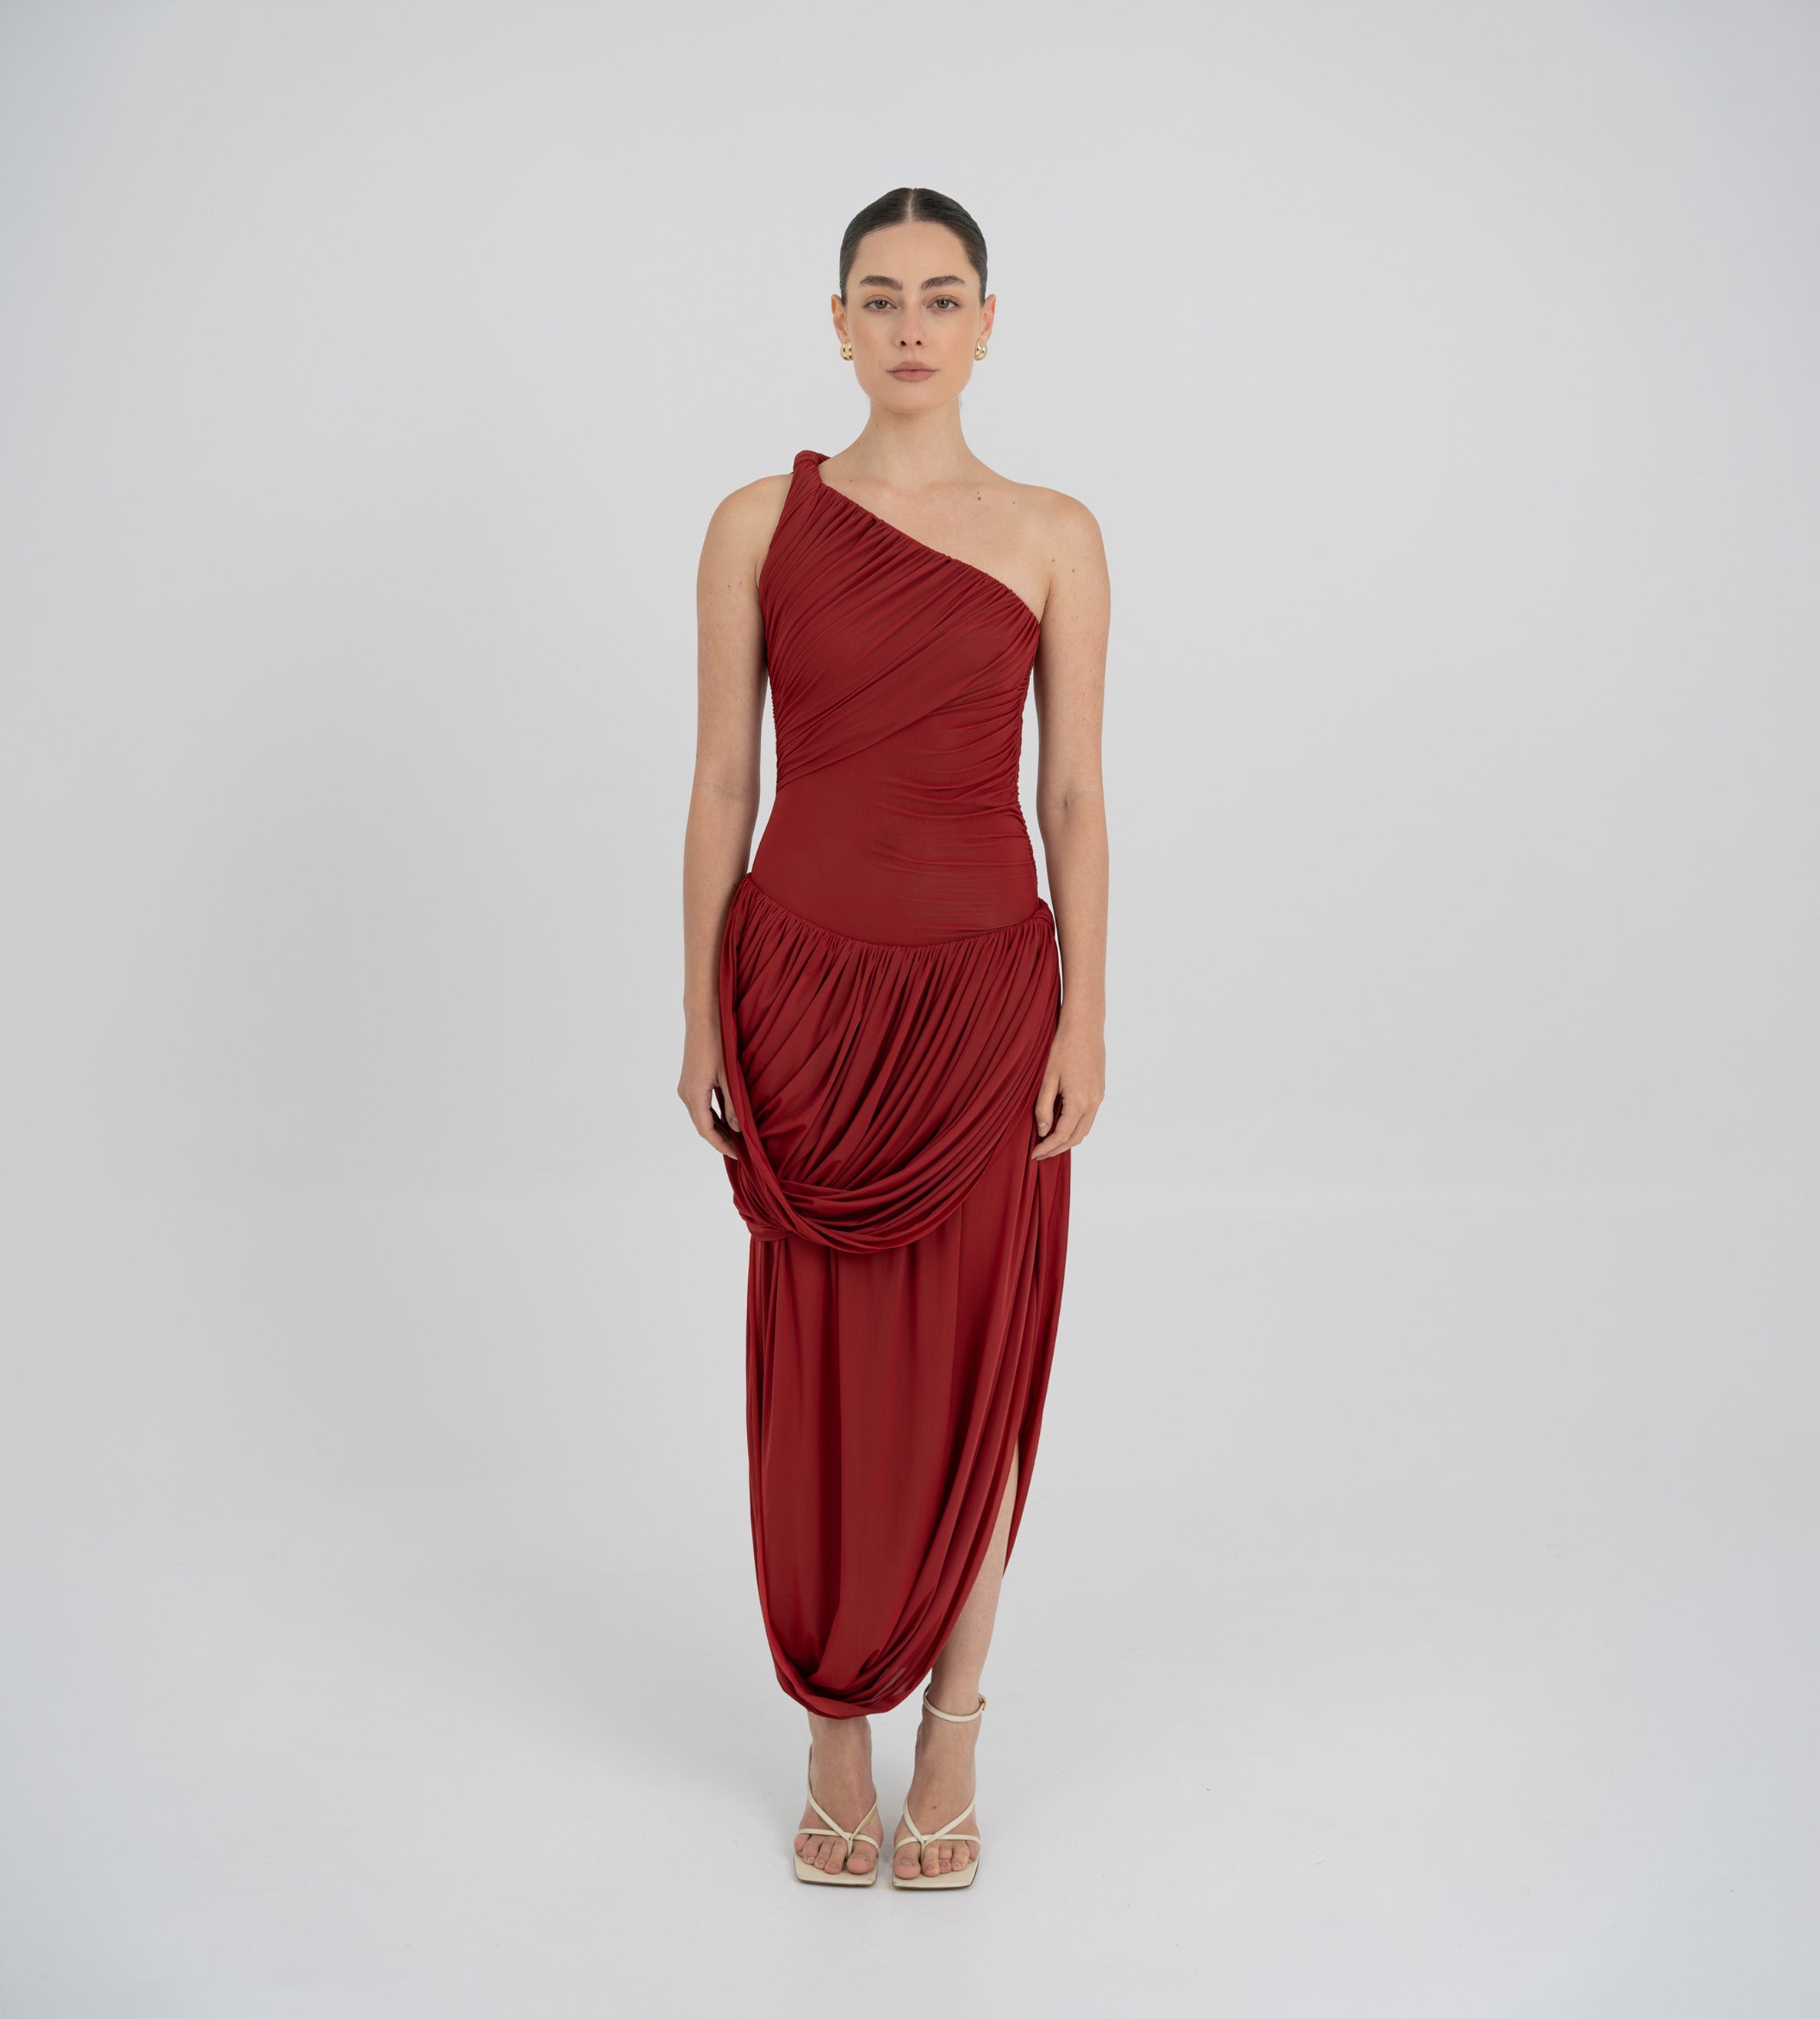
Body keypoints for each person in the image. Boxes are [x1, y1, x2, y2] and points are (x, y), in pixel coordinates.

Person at [678, 187, 1110, 1890]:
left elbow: (1072, 796)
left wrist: (1088, 1013)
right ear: (839, 324)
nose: (911, 325)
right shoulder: (753, 524)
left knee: (976, 1377)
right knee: (823, 1387)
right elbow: (724, 781)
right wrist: (699, 1009)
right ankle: (831, 1730)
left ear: (988, 325)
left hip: (987, 1005)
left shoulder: (1055, 532)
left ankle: (953, 1733)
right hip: (802, 995)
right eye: (881, 297)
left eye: (941, 297)